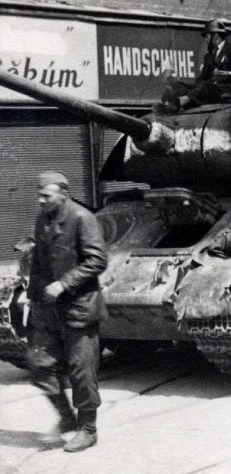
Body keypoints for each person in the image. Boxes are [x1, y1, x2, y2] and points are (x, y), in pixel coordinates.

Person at [27, 172, 108, 452]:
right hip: (49, 310)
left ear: (63, 193)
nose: (40, 200)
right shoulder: (43, 219)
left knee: (81, 373)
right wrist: (32, 297)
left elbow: (97, 260)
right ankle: (66, 419)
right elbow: (38, 263)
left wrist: (64, 283)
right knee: (39, 365)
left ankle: (88, 429)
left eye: (46, 196)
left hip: (79, 307)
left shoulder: (83, 218)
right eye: (39, 194)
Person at [161, 19, 231, 111]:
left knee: (205, 86)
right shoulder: (209, 56)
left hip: (224, 90)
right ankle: (170, 103)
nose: (205, 39)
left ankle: (180, 102)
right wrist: (194, 87)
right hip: (208, 89)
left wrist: (219, 76)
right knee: (179, 85)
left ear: (215, 36)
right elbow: (203, 77)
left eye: (207, 36)